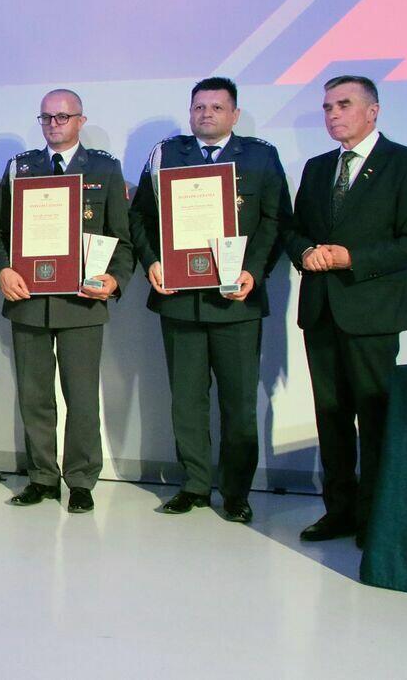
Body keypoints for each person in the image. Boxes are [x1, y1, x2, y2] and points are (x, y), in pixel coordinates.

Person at [129, 77, 291, 523]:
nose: (207, 114)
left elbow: (276, 220)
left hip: (236, 301)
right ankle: (195, 485)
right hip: (180, 300)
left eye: (217, 107)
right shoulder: (166, 154)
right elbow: (140, 216)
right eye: (199, 107)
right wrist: (152, 262)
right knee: (186, 402)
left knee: (239, 405)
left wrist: (254, 270)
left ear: (234, 115)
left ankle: (236, 492)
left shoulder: (259, 156)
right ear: (190, 112)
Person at [285, 75, 407, 547]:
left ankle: (376, 517)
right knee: (330, 417)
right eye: (327, 107)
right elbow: (294, 230)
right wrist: (305, 251)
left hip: (373, 313)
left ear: (373, 111)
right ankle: (340, 511)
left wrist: (353, 258)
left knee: (374, 419)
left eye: (343, 104)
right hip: (321, 311)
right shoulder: (317, 168)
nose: (333, 114)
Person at [0, 90, 133, 513]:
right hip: (28, 298)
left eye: (63, 117)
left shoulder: (104, 169)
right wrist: (3, 270)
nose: (54, 124)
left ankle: (81, 480)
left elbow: (122, 239)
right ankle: (42, 477)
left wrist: (115, 280)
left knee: (82, 397)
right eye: (47, 117)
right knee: (34, 397)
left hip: (82, 301)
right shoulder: (20, 167)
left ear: (80, 121)